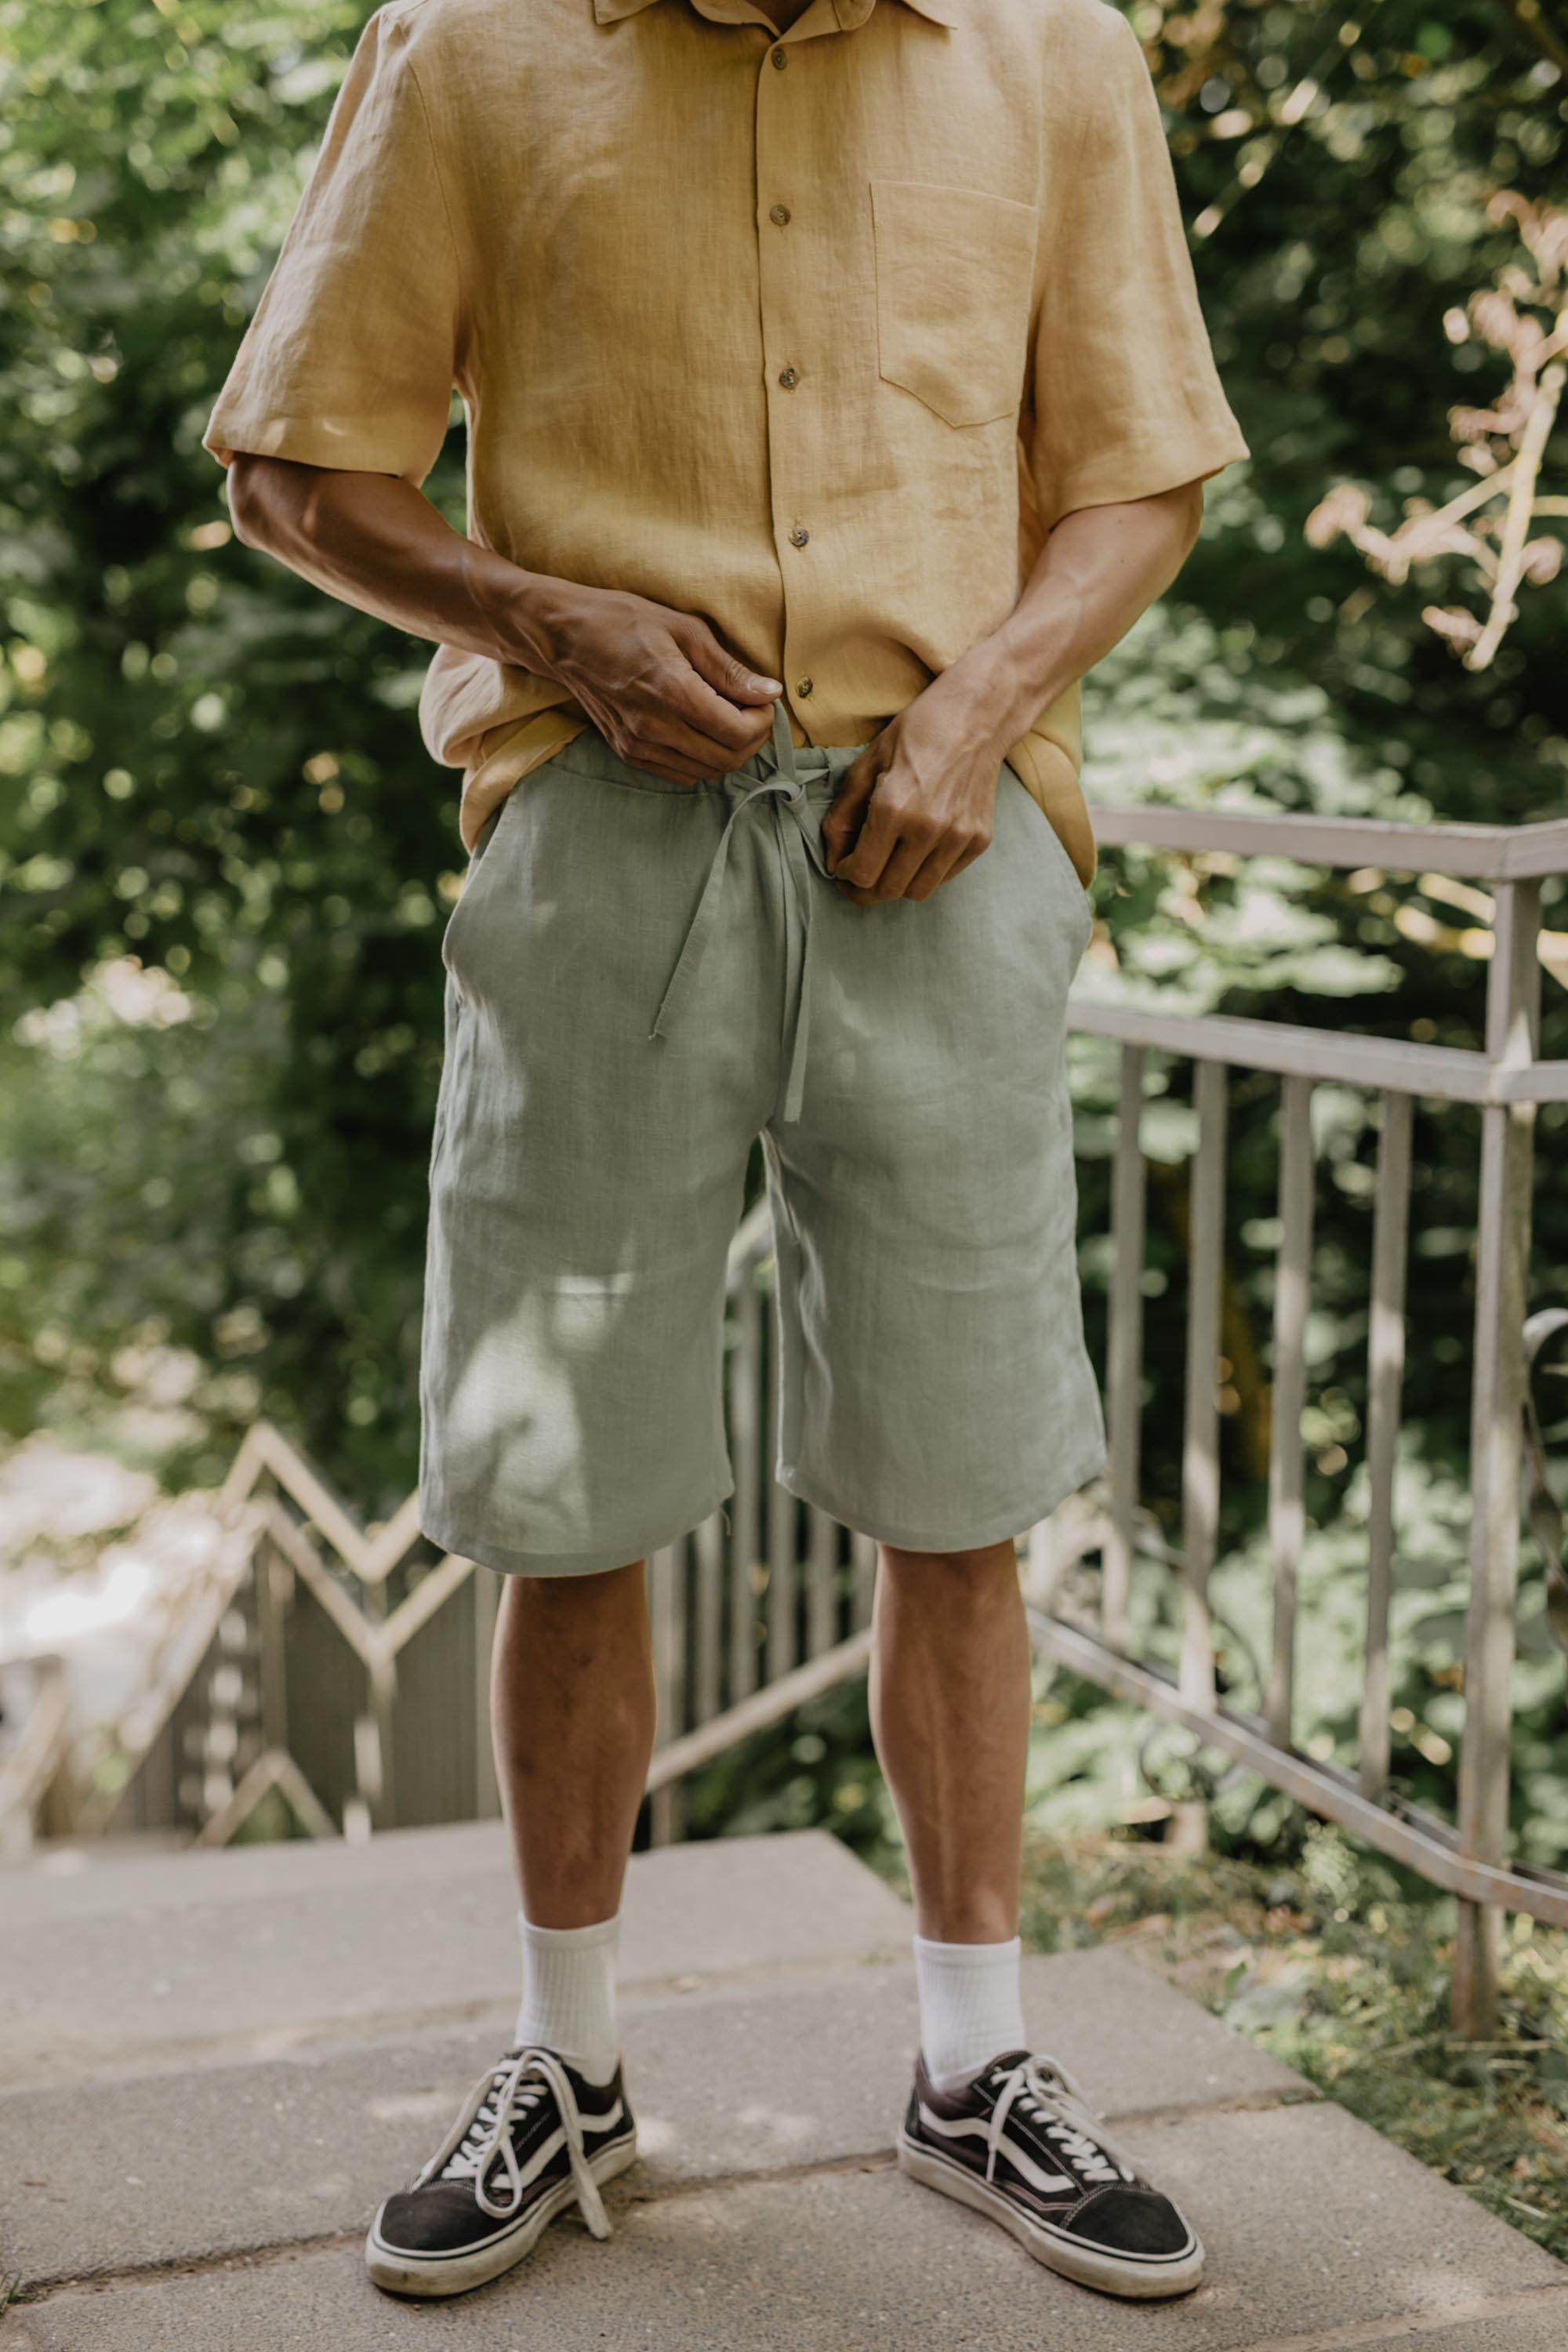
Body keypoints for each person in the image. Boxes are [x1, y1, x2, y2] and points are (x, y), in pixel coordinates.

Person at [204, 0, 1248, 2307]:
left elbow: (1141, 469)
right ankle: (564, 2064)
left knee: (959, 1482)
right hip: (601, 849)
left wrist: (982, 707)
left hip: (943, 837)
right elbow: (293, 469)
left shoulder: (1056, 49)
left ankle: (973, 2064)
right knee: (563, 1502)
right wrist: (533, 608)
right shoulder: (468, 49)